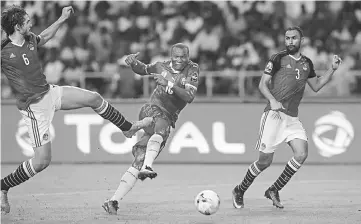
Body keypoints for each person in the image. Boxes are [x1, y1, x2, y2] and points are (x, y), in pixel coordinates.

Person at [0, 5, 152, 214]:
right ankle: (3, 186)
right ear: (17, 27)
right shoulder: (3, 51)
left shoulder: (29, 39)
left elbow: (45, 35)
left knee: (94, 98)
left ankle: (127, 128)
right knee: (42, 161)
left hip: (49, 93)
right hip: (34, 109)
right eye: (27, 22)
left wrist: (62, 18)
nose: (31, 23)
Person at [232, 26, 342, 209]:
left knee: (302, 153)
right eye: (287, 38)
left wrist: (332, 69)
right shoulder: (277, 59)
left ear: (301, 40)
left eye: (294, 38)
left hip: (291, 118)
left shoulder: (307, 63)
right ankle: (240, 190)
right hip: (274, 115)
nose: (290, 41)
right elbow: (262, 85)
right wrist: (273, 101)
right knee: (264, 161)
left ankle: (274, 189)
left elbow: (316, 85)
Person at [102, 43, 200, 215]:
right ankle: (147, 163)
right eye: (175, 56)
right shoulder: (160, 65)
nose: (178, 60)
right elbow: (143, 69)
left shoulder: (192, 70)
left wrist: (169, 83)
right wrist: (132, 62)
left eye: (182, 57)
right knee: (162, 129)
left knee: (139, 158)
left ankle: (113, 201)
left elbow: (189, 96)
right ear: (171, 55)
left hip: (167, 119)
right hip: (152, 108)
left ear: (188, 56)